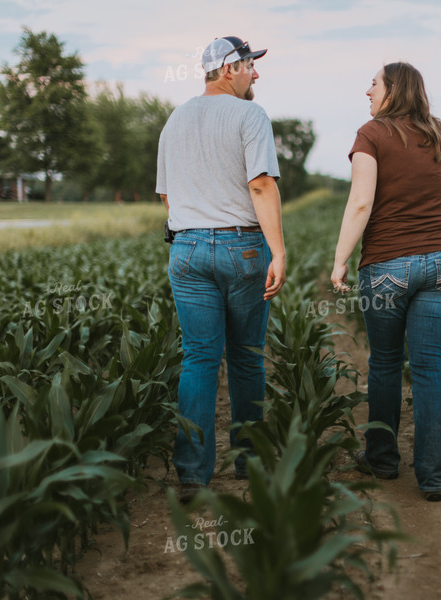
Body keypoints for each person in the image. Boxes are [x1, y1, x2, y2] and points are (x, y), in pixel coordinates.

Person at [156, 35, 286, 503]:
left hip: (186, 250)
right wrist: (278, 251)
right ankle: (249, 461)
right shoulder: (250, 115)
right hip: (242, 247)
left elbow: (168, 198)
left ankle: (192, 473)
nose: (257, 73)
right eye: (251, 65)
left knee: (198, 359)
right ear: (230, 68)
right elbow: (261, 185)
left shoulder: (174, 121)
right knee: (247, 356)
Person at [330, 62, 441, 502]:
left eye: (373, 83)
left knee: (386, 362)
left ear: (393, 90)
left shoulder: (371, 134)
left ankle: (383, 460)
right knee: (430, 368)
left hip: (388, 264)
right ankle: (435, 476)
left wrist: (340, 260)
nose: (366, 90)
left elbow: (360, 203)